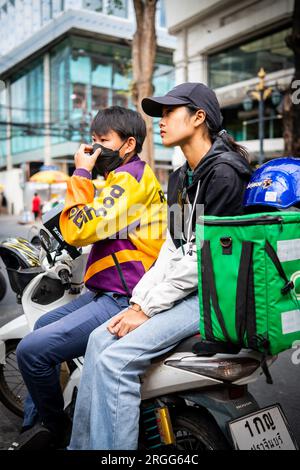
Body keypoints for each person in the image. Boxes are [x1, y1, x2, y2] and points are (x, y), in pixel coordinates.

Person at [68, 82, 253, 450]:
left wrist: (148, 308)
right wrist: (140, 302)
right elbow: (174, 246)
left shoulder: (225, 173)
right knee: (97, 339)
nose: (161, 122)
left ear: (199, 118)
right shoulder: (183, 176)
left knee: (116, 361)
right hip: (191, 287)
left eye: (169, 112)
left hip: (217, 294)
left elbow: (204, 256)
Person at [12, 106, 167, 450]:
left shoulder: (130, 178)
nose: (94, 149)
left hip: (122, 296)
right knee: (42, 325)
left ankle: (55, 432)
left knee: (30, 352)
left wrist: (81, 172)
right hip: (104, 290)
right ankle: (40, 421)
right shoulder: (123, 177)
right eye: (92, 141)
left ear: (128, 144)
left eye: (102, 141)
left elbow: (81, 228)